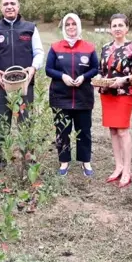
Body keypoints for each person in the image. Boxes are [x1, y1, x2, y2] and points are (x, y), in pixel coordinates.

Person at [0, 0, 45, 168]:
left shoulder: (30, 28)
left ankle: (28, 155)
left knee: (25, 119)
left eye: (12, 3)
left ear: (18, 6)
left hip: (25, 84)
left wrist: (33, 68)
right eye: (6, 4)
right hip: (2, 85)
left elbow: (39, 52)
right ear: (1, 7)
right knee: (2, 120)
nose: (9, 6)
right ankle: (0, 157)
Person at [45, 13, 99, 177]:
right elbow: (48, 69)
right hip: (61, 97)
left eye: (73, 24)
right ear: (63, 27)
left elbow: (95, 68)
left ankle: (85, 161)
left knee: (84, 131)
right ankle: (64, 161)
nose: (70, 27)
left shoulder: (89, 47)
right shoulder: (55, 47)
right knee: (62, 131)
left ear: (78, 26)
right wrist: (63, 77)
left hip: (83, 97)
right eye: (67, 24)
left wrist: (84, 77)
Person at [98, 14, 132, 187]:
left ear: (127, 28)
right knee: (113, 131)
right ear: (110, 29)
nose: (117, 28)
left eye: (120, 25)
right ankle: (118, 166)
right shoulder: (105, 47)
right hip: (106, 93)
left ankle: (127, 169)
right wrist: (98, 79)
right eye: (114, 25)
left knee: (123, 131)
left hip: (123, 93)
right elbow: (100, 69)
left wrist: (124, 80)